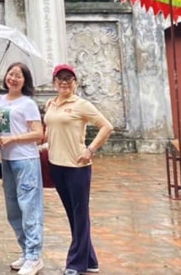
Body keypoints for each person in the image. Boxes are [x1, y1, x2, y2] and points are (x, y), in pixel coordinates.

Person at [44, 64, 113, 275]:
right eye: (60, 78)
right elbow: (50, 132)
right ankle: (90, 260)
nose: (64, 82)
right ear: (54, 82)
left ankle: (75, 263)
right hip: (56, 165)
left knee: (80, 213)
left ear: (75, 82)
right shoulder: (50, 104)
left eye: (68, 78)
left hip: (77, 167)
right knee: (72, 214)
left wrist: (90, 149)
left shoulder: (81, 105)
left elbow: (106, 126)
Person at [0, 62, 44, 275]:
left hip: (26, 159)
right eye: (10, 74)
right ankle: (25, 249)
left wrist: (14, 138)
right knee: (13, 209)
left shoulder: (28, 103)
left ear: (25, 81)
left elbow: (38, 134)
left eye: (18, 76)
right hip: (6, 160)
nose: (13, 78)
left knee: (29, 206)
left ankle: (34, 256)